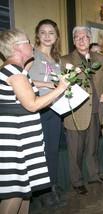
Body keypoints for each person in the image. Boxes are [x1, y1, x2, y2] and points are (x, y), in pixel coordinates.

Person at [0, 29, 68, 214]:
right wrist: (61, 87)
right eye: (28, 42)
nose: (32, 45)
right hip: (16, 142)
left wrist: (47, 85)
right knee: (15, 192)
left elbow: (26, 89)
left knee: (25, 192)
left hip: (22, 139)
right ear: (18, 48)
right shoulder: (15, 72)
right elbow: (32, 104)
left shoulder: (15, 70)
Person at [61, 26, 103, 195]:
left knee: (93, 149)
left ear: (90, 39)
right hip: (76, 114)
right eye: (77, 37)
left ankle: (94, 176)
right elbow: (61, 87)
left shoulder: (99, 58)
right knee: (75, 152)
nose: (81, 40)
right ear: (73, 40)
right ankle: (76, 182)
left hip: (96, 112)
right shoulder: (65, 60)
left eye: (84, 37)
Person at [28, 19, 65, 207]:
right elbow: (25, 81)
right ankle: (43, 193)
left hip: (55, 109)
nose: (47, 36)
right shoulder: (31, 56)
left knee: (52, 150)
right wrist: (49, 85)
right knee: (40, 152)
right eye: (43, 32)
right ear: (37, 35)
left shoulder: (56, 59)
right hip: (39, 109)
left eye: (51, 32)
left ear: (56, 36)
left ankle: (52, 185)